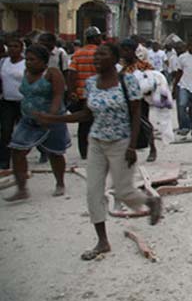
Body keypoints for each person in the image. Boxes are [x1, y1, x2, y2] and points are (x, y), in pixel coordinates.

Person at [35, 42, 162, 259]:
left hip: (121, 142)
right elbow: (87, 114)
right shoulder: (91, 83)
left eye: (102, 55)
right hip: (96, 142)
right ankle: (102, 241)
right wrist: (55, 119)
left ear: (114, 59)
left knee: (123, 192)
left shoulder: (127, 81)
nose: (96, 59)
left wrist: (132, 146)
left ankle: (150, 201)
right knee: (93, 191)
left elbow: (136, 114)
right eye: (96, 56)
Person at [4, 44, 70, 200]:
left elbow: (58, 96)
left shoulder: (52, 73)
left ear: (43, 61)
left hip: (51, 120)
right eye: (27, 59)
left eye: (32, 60)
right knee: (17, 150)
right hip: (28, 120)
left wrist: (50, 116)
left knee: (55, 153)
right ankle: (22, 189)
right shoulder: (26, 73)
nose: (28, 62)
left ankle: (60, 183)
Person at [120, 38, 158, 163]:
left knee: (144, 124)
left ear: (133, 51)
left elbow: (153, 81)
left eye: (127, 50)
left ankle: (152, 148)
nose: (124, 53)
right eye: (122, 50)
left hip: (140, 100)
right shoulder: (120, 67)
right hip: (124, 100)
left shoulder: (143, 65)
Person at [66, 26, 102, 160]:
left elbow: (71, 74)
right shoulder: (101, 53)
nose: (100, 39)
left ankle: (84, 152)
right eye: (99, 37)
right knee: (99, 122)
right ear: (95, 38)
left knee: (84, 124)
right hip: (99, 94)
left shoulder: (78, 54)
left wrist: (72, 91)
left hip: (82, 94)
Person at [0, 37, 25, 171]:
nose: (12, 49)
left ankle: (42, 151)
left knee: (26, 131)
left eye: (16, 46)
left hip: (23, 102)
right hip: (7, 102)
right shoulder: (3, 62)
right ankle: (4, 160)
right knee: (6, 131)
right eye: (10, 46)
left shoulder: (26, 63)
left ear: (21, 49)